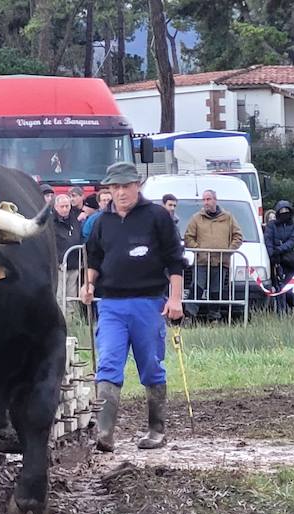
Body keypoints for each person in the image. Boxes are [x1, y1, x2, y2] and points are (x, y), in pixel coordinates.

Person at [80, 162, 186, 453]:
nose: (121, 192)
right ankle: (104, 433)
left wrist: (175, 299)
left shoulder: (158, 217)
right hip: (111, 305)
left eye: (126, 186)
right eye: (115, 187)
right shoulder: (102, 221)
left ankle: (156, 429)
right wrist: (89, 284)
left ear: (137, 186)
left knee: (151, 367)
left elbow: (174, 259)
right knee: (108, 365)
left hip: (149, 303)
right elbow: (95, 258)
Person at [183, 189, 243, 321]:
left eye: (208, 199)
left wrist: (229, 251)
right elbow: (188, 238)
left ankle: (214, 318)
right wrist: (198, 250)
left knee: (216, 290)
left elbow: (238, 236)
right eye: (204, 200)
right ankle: (189, 316)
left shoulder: (228, 218)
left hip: (221, 261)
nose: (206, 202)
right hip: (202, 262)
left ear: (215, 200)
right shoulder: (196, 218)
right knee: (197, 288)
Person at [263, 200, 294, 313]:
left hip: (289, 260)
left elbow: (292, 241)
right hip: (275, 260)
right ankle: (281, 312)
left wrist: (279, 250)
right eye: (282, 211)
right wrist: (272, 254)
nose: (284, 214)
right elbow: (268, 240)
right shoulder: (271, 225)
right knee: (278, 288)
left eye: (287, 211)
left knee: (287, 289)